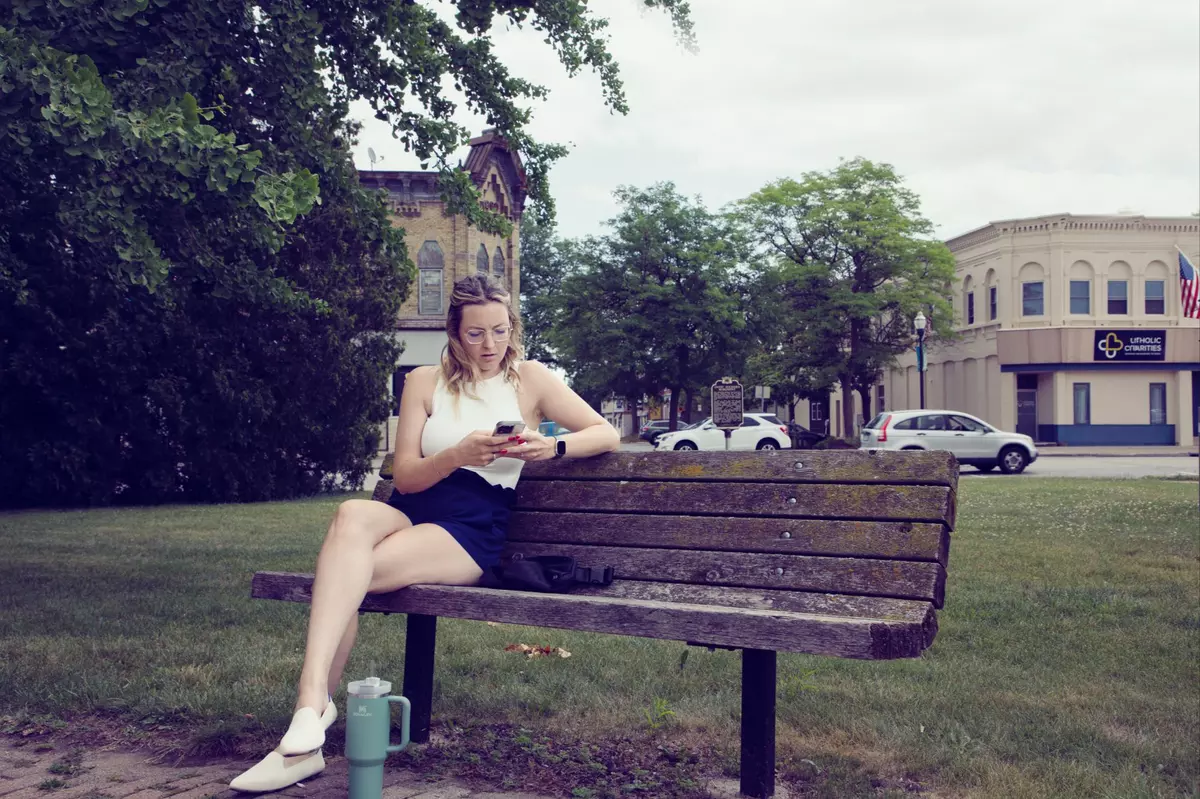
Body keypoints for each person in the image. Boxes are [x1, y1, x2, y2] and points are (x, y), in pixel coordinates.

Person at [231, 274, 620, 792]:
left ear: (513, 327)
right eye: (476, 334)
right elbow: (407, 475)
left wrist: (553, 448)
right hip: (413, 505)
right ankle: (312, 708)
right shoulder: (421, 381)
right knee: (351, 514)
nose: (490, 346)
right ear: (455, 332)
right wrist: (458, 454)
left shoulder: (531, 379)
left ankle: (306, 726)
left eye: (500, 331)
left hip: (470, 526)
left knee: (346, 575)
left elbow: (606, 431)